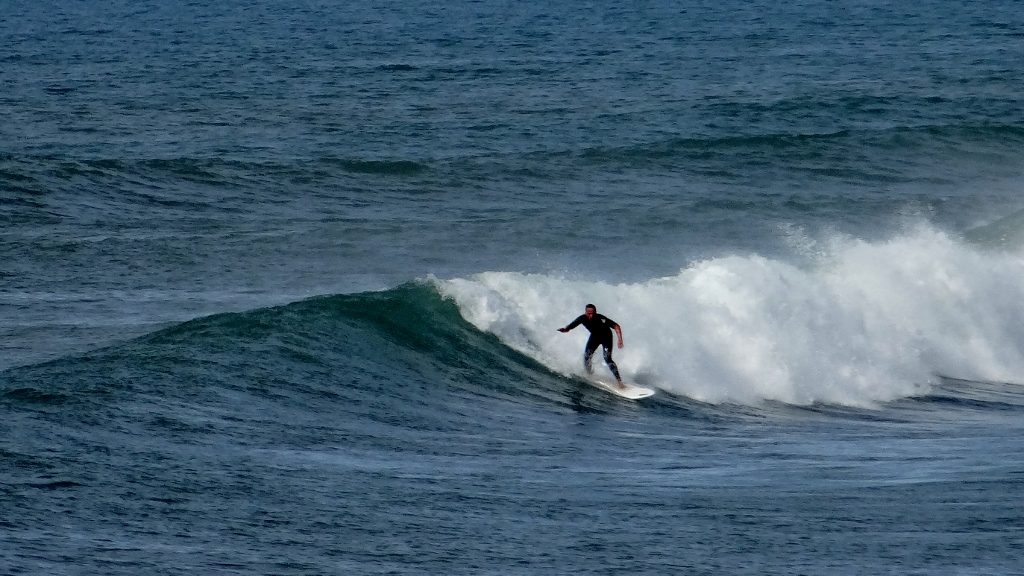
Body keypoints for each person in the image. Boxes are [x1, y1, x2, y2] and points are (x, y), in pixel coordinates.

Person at [557, 303, 625, 388]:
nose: (591, 315)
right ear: (585, 312)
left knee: (607, 358)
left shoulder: (601, 318)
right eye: (589, 313)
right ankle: (589, 375)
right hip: (595, 337)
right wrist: (565, 329)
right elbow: (570, 327)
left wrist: (620, 339)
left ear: (595, 312)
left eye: (593, 313)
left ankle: (619, 382)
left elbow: (616, 326)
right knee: (587, 356)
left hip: (606, 337)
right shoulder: (582, 318)